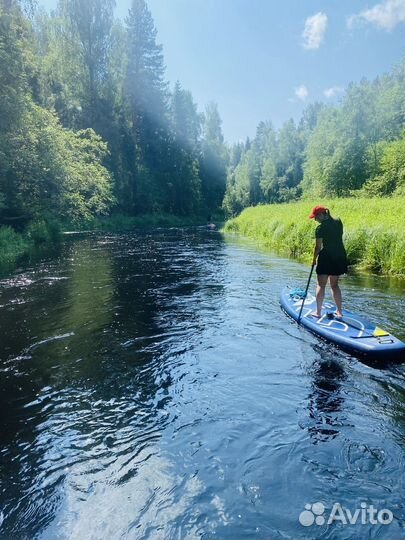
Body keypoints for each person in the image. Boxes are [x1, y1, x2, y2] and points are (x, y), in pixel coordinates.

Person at [309, 205, 348, 319]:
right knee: (335, 285)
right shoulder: (338, 222)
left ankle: (318, 312)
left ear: (321, 215)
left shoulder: (320, 229)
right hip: (340, 256)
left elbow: (318, 247)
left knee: (321, 285)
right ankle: (339, 312)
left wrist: (314, 260)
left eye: (316, 217)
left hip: (326, 257)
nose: (315, 220)